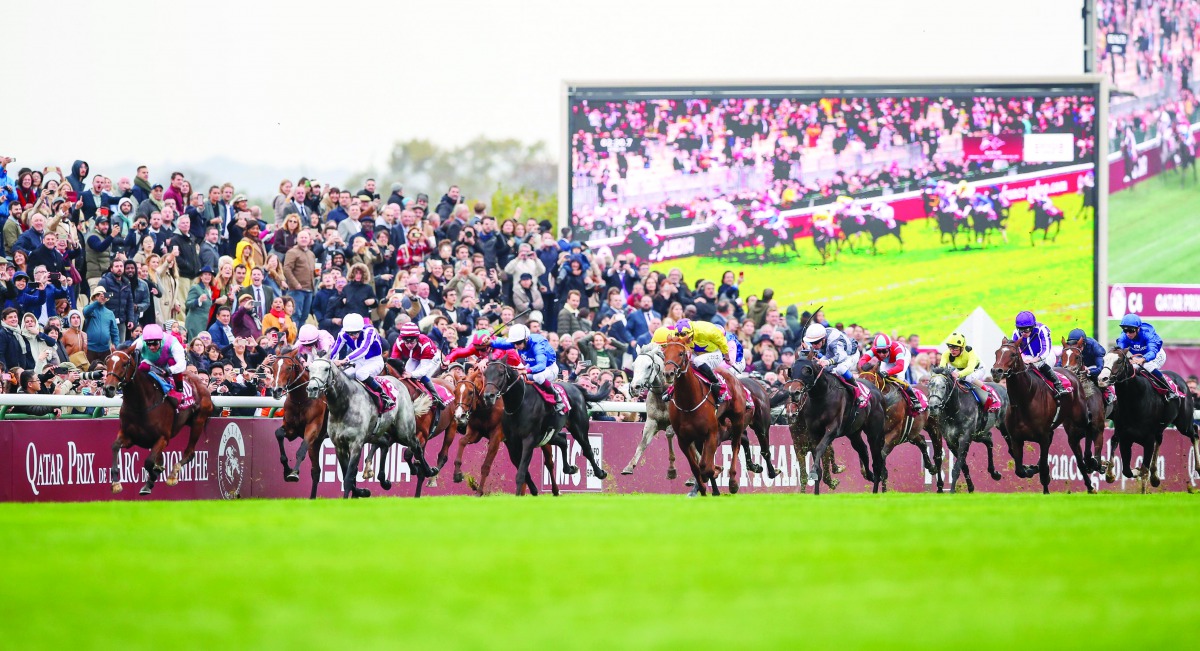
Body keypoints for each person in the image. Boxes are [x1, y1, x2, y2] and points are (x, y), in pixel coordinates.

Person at [491, 322, 565, 414]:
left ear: (526, 339)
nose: (516, 346)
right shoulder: (519, 341)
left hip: (549, 368)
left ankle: (557, 397)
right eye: (514, 343)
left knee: (538, 377)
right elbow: (502, 344)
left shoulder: (537, 345)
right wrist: (490, 342)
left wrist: (526, 370)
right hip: (532, 366)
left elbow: (541, 366)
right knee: (516, 375)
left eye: (518, 343)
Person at [330, 312, 392, 411]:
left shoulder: (370, 331)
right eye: (349, 333)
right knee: (344, 375)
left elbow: (363, 350)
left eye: (355, 333)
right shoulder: (342, 334)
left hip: (374, 360)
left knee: (361, 374)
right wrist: (328, 361)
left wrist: (344, 360)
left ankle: (384, 396)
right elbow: (334, 350)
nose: (352, 336)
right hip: (359, 361)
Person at [1115, 313, 1182, 400]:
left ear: (1138, 329)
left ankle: (1169, 390)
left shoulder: (1148, 334)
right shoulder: (1124, 337)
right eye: (1125, 330)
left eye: (1131, 330)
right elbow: (1120, 350)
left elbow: (1152, 351)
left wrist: (1143, 359)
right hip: (1140, 357)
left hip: (1157, 354)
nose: (1128, 334)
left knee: (1147, 366)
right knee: (1130, 368)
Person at [859, 333, 925, 413]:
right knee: (881, 378)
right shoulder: (874, 350)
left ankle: (914, 400)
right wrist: (864, 365)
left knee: (899, 378)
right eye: (879, 351)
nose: (881, 354)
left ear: (889, 348)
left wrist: (888, 372)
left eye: (884, 351)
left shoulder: (897, 349)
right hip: (888, 360)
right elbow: (862, 360)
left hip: (903, 357)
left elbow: (900, 367)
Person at [1012, 311, 1068, 398]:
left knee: (1039, 364)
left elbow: (1046, 349)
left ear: (1033, 326)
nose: (1023, 333)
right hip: (1028, 357)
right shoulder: (1015, 333)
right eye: (1021, 330)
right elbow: (1016, 349)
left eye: (1026, 330)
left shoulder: (1042, 329)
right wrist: (1023, 359)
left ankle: (1059, 385)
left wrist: (1036, 359)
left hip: (1045, 356)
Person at [390, 322, 447, 408]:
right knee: (405, 375)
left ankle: (437, 397)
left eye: (412, 342)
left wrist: (412, 374)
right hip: (415, 357)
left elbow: (424, 370)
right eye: (406, 342)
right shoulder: (398, 342)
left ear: (417, 339)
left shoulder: (425, 344)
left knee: (419, 376)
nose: (409, 345)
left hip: (432, 358)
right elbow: (394, 362)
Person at [672, 318, 729, 401]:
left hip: (714, 353)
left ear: (691, 332)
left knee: (698, 361)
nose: (685, 341)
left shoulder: (707, 330)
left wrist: (727, 357)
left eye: (686, 338)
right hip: (697, 353)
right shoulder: (677, 335)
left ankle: (717, 384)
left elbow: (722, 342)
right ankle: (672, 389)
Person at [133, 323, 187, 404]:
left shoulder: (172, 342)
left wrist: (170, 370)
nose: (151, 347)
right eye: (148, 344)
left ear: (161, 340)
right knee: (142, 366)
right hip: (152, 364)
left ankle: (180, 390)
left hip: (169, 365)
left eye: (155, 343)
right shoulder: (140, 341)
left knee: (172, 361)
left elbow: (182, 364)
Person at [943, 332, 990, 406]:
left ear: (962, 347)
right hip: (960, 370)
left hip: (977, 369)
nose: (952, 350)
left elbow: (970, 369)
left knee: (968, 378)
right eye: (950, 347)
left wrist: (958, 374)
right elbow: (942, 367)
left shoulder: (969, 351)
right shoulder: (946, 354)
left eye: (955, 348)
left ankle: (989, 393)